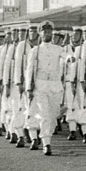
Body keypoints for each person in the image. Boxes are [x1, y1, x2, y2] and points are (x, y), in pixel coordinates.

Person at [25, 21, 63, 155]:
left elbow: (65, 56)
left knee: (53, 116)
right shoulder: (35, 50)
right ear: (40, 34)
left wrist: (70, 59)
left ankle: (45, 136)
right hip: (40, 85)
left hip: (54, 86)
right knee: (44, 114)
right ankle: (46, 143)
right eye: (44, 32)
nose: (47, 34)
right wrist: (28, 88)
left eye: (49, 32)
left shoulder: (57, 49)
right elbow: (30, 69)